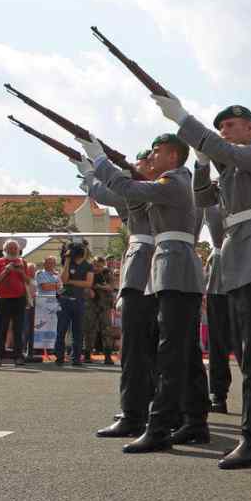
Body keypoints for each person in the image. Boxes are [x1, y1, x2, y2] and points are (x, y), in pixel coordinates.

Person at [155, 93, 251, 468]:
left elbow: (228, 152)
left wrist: (184, 118)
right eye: (220, 128)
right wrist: (201, 163)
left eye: (231, 126)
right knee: (248, 355)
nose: (225, 132)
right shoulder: (231, 169)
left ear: (250, 128)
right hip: (239, 265)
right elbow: (203, 199)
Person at [85, 132, 211, 454]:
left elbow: (125, 190)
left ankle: (161, 425)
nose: (151, 158)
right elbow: (128, 195)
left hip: (175, 268)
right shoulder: (174, 181)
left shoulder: (175, 181)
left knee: (172, 352)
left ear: (172, 156)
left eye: (156, 152)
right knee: (180, 351)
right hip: (168, 268)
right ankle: (192, 421)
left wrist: (98, 161)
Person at [80, 149, 162, 440]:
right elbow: (109, 193)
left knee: (140, 346)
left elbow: (110, 193)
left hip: (150, 266)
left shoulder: (159, 187)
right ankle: (146, 405)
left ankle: (138, 411)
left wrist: (92, 168)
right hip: (148, 265)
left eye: (143, 162)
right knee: (144, 346)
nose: (138, 167)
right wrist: (88, 171)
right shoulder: (148, 189)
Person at [193, 158, 235, 415]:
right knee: (218, 342)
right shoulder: (212, 200)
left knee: (249, 342)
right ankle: (218, 392)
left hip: (247, 268)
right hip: (220, 275)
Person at [0, 240, 30, 366]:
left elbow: (28, 281)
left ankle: (18, 356)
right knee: (2, 329)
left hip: (19, 299)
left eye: (15, 248)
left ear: (18, 250)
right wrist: (5, 271)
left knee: (18, 329)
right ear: (5, 250)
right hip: (4, 299)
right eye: (10, 248)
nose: (12, 250)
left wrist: (21, 272)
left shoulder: (23, 262)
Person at [55, 242, 94, 366]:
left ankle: (76, 358)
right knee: (61, 330)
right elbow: (63, 279)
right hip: (65, 300)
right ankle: (59, 357)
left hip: (79, 301)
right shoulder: (67, 263)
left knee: (78, 331)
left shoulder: (88, 266)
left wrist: (71, 281)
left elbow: (88, 283)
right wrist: (66, 261)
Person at [82, 256, 115, 365]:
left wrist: (99, 286)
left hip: (104, 305)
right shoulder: (88, 272)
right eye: (96, 265)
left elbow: (111, 287)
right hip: (91, 305)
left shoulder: (107, 273)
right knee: (89, 329)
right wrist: (89, 289)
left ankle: (108, 356)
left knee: (107, 330)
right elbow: (84, 286)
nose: (98, 268)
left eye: (100, 266)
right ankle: (87, 354)